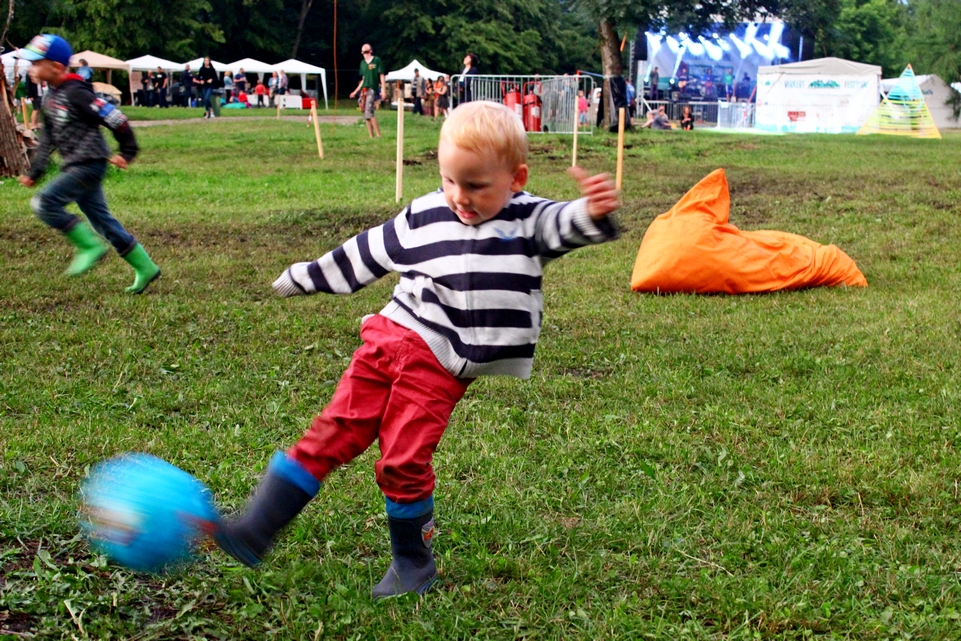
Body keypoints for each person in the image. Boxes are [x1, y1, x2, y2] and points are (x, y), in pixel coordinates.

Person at [213, 100, 620, 600]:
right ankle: (255, 529)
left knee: (403, 460)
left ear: (516, 178)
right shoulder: (425, 214)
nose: (459, 197)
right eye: (449, 180)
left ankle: (413, 565)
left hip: (440, 365)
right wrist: (306, 275)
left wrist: (592, 211)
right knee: (332, 431)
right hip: (389, 338)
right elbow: (367, 251)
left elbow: (565, 220)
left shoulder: (528, 220)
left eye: (476, 185)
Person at [15, 34, 161, 294]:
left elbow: (115, 118)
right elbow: (47, 139)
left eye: (36, 63)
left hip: (89, 164)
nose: (31, 69)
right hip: (75, 165)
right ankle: (145, 267)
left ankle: (89, 246)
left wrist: (128, 151)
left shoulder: (77, 92)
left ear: (56, 67)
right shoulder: (50, 98)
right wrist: (35, 171)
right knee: (102, 222)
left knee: (44, 203)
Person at [348, 43, 386, 139]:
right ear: (362, 52)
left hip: (372, 88)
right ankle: (371, 136)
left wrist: (383, 90)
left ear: (370, 51)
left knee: (369, 111)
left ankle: (378, 135)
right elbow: (363, 79)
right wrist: (355, 91)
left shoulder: (376, 60)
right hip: (364, 90)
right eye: (363, 51)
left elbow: (381, 75)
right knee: (365, 113)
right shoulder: (362, 63)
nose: (365, 52)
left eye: (366, 50)